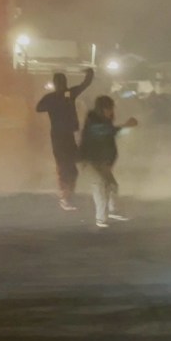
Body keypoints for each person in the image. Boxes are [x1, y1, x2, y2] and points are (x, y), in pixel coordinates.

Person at [36, 68, 94, 210]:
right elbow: (39, 108)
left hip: (65, 134)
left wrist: (90, 73)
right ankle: (65, 197)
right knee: (65, 167)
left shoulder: (65, 94)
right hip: (60, 135)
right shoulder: (62, 95)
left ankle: (67, 196)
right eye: (60, 82)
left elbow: (85, 84)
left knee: (71, 167)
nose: (62, 84)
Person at [79, 96, 138, 228]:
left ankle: (114, 211)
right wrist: (126, 126)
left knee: (112, 185)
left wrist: (127, 128)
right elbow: (105, 132)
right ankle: (101, 219)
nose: (111, 112)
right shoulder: (93, 120)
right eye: (109, 109)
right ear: (102, 108)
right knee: (100, 185)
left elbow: (111, 135)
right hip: (88, 160)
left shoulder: (104, 121)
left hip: (101, 161)